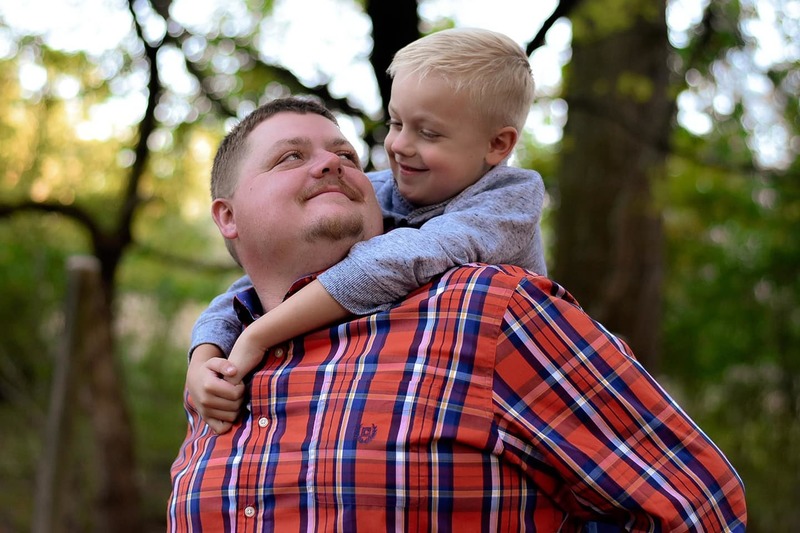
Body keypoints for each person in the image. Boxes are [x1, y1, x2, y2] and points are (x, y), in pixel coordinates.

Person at [167, 97, 747, 531]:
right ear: (227, 216)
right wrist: (206, 350)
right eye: (292, 156)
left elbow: (698, 505)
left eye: (346, 155)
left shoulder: (491, 308)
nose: (333, 164)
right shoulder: (216, 379)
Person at [187, 28, 547, 433]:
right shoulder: (379, 188)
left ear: (498, 145)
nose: (399, 146)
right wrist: (205, 356)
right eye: (395, 123)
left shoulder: (508, 200)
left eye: (428, 132)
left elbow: (397, 259)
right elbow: (242, 290)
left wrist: (257, 337)